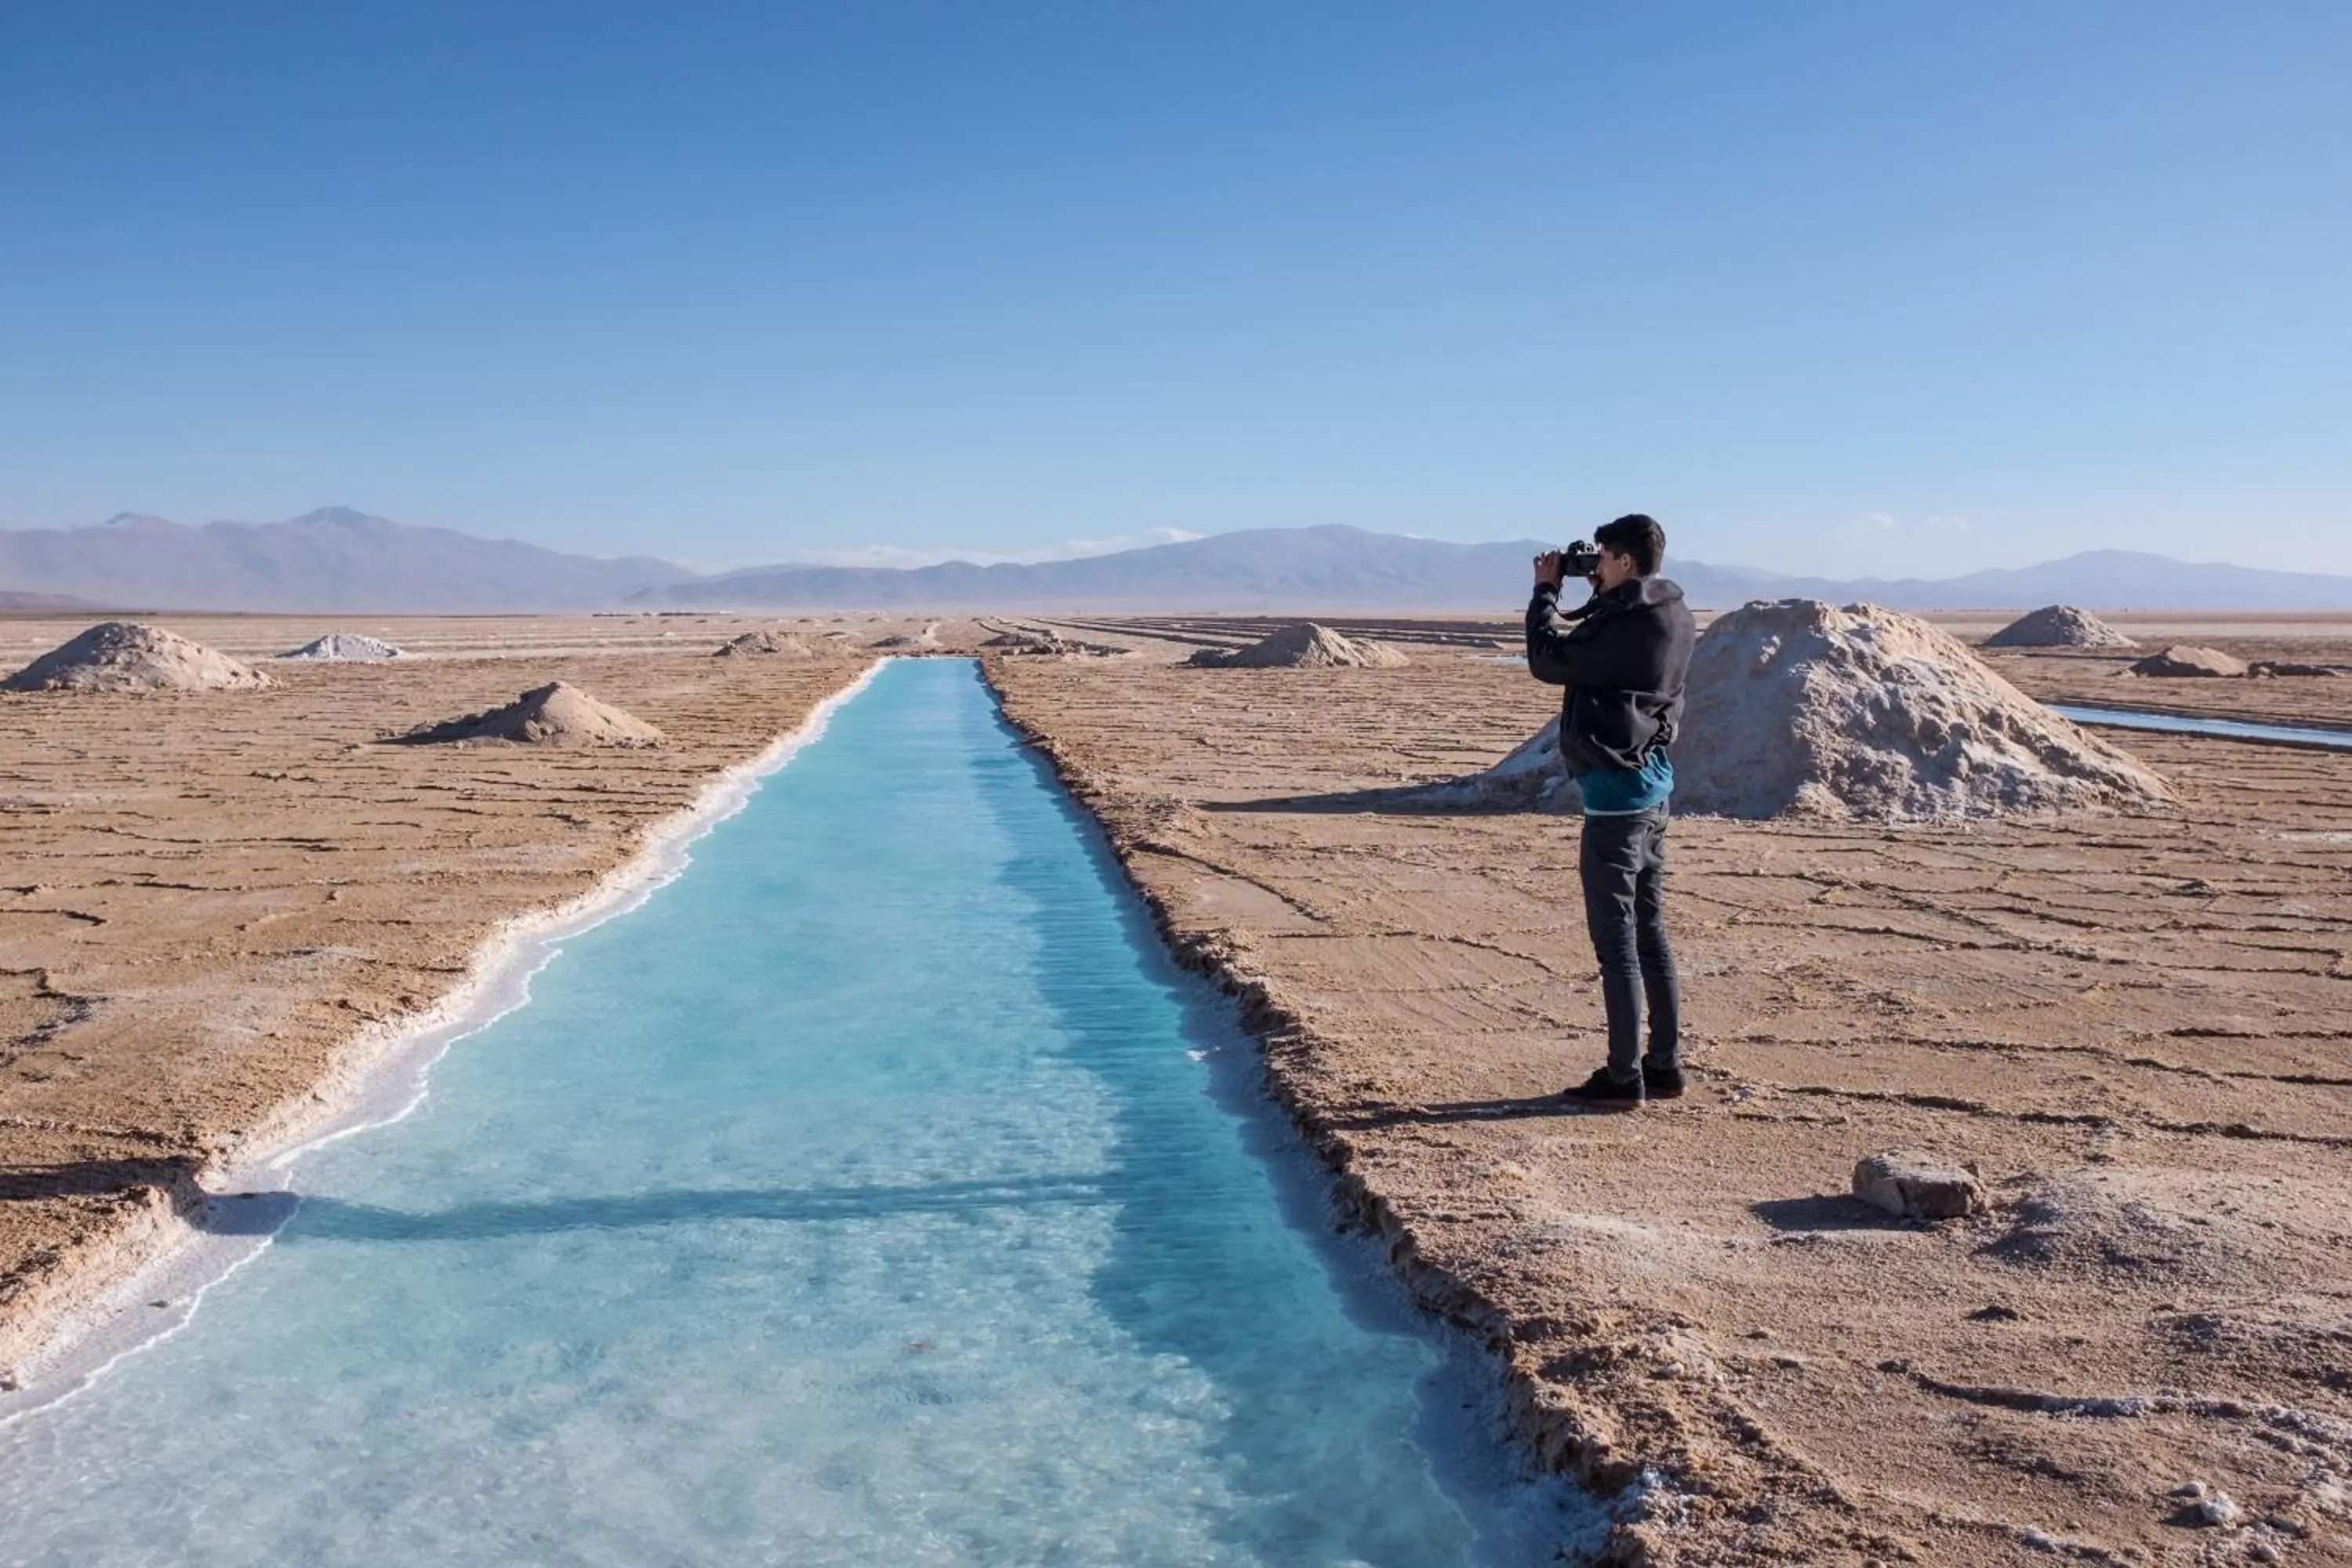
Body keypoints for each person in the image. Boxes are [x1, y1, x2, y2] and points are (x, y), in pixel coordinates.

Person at [1526, 514, 1697, 1109]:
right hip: (1652, 790)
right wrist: (1591, 594)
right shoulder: (1669, 612)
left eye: (1600, 558)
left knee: (1617, 945)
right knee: (1649, 935)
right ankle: (1665, 1068)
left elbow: (1548, 660)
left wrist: (1547, 592)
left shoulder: (1626, 622)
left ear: (1625, 561)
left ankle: (1624, 1078)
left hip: (1616, 804)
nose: (1592, 566)